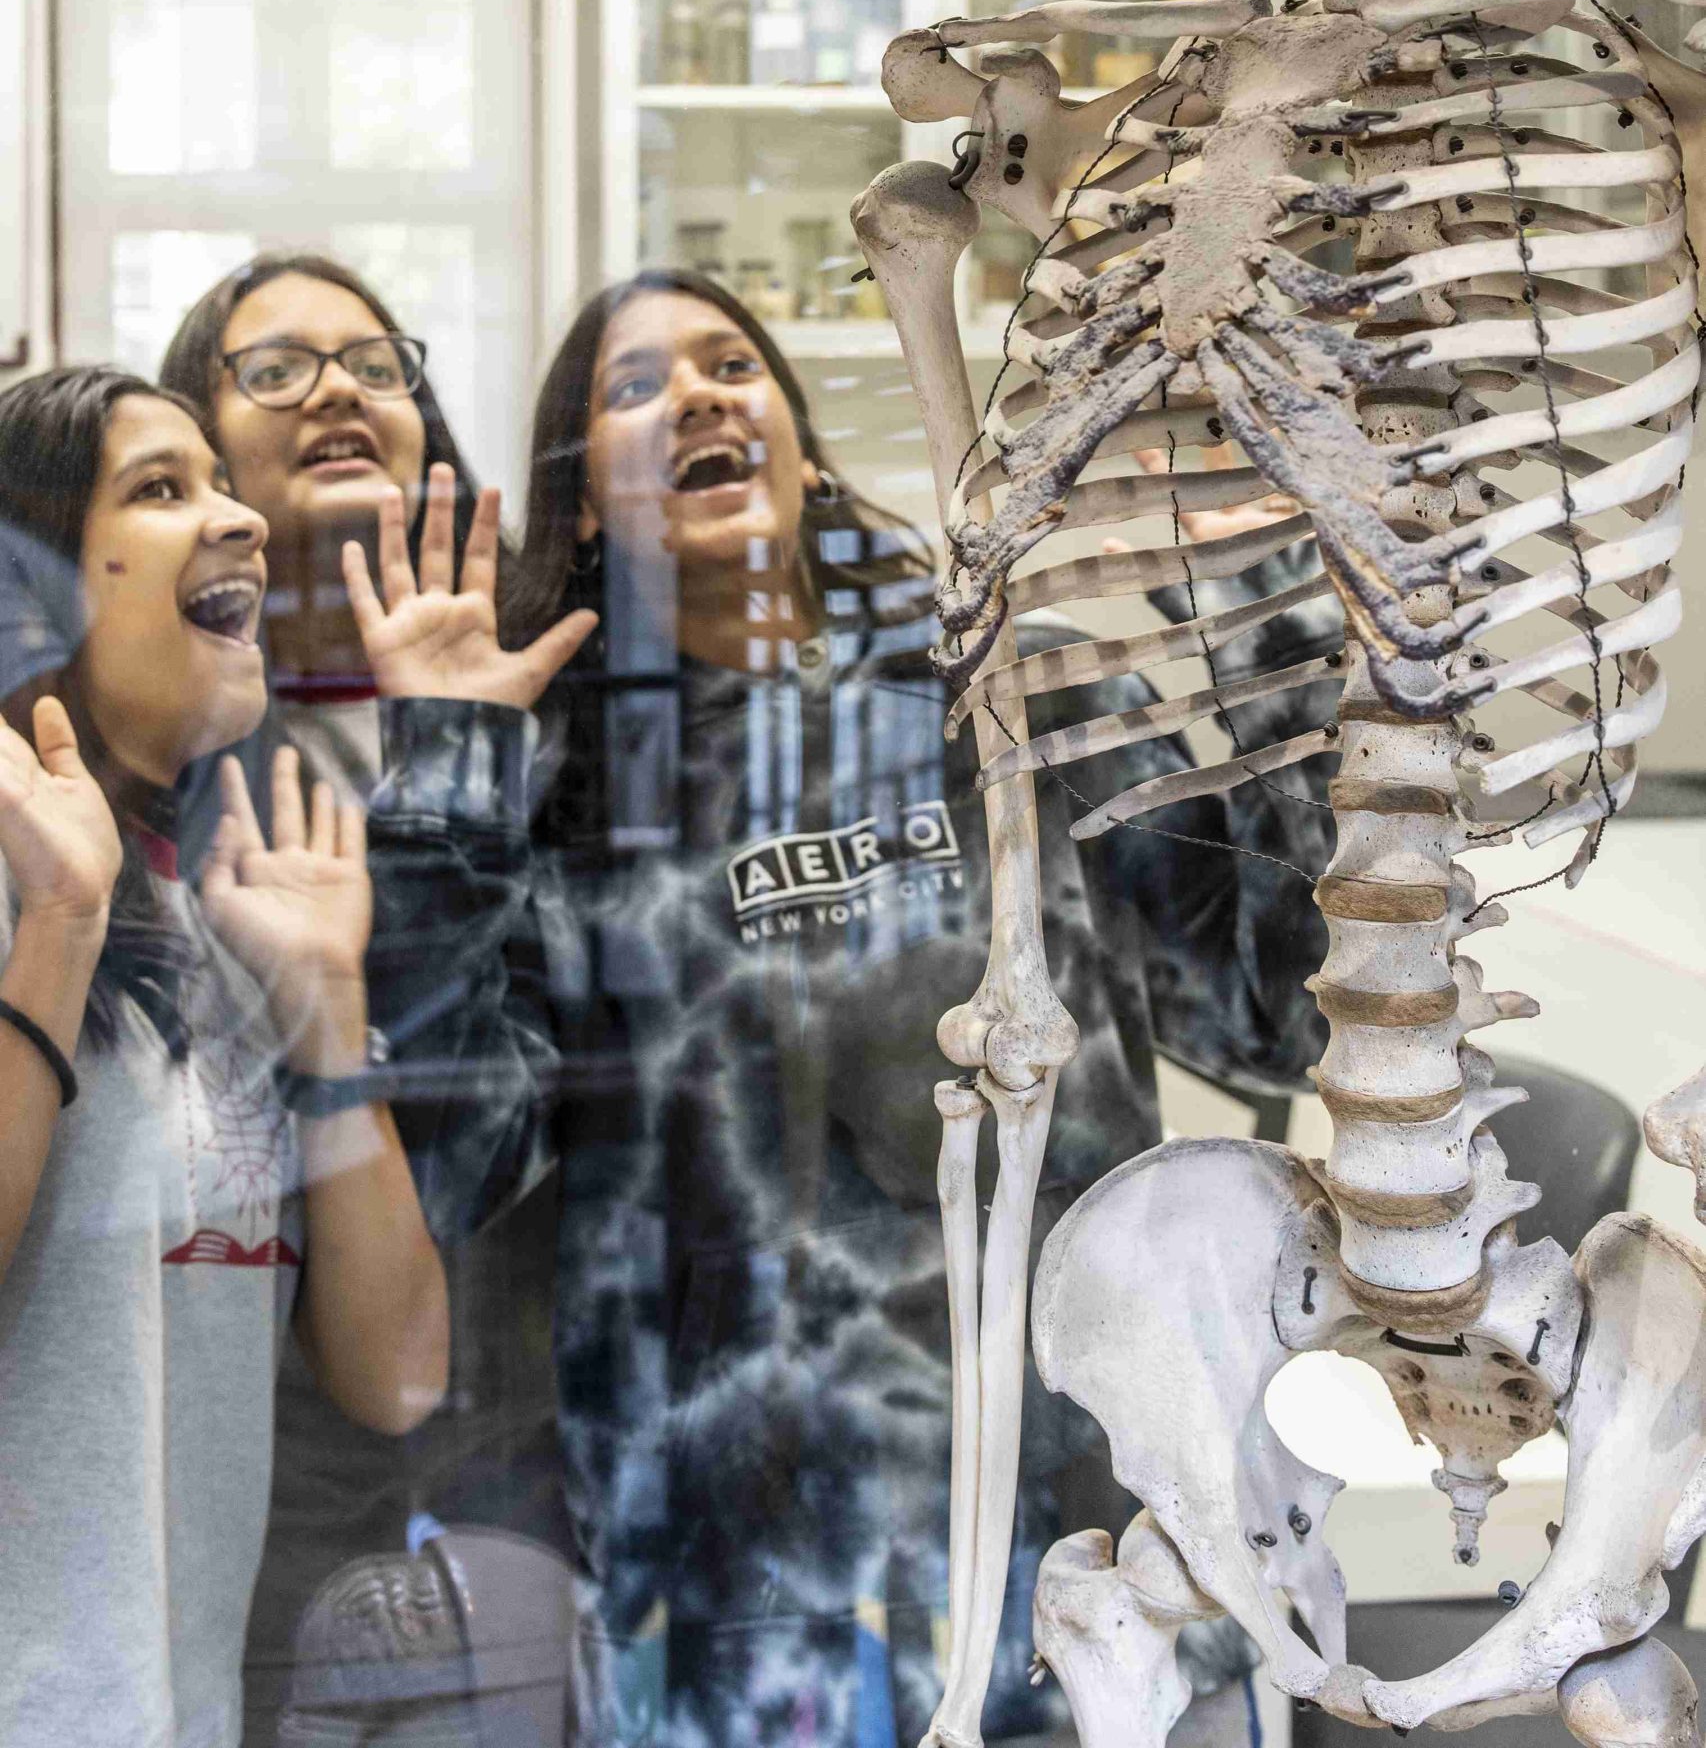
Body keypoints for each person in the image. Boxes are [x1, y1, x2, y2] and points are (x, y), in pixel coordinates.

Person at [402, 266, 1339, 1748]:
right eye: (636, 388)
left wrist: (1268, 624)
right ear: (580, 508)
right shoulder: (565, 785)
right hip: (744, 1605)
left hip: (1121, 1559)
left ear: (798, 439)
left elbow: (1270, 1019)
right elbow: (458, 1162)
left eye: (730, 366)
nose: (699, 396)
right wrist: (440, 779)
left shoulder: (1010, 698)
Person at [159, 252, 595, 1743]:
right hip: (243, 1479)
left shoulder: (568, 718)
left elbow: (482, 1148)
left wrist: (463, 752)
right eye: (272, 367)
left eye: (374, 361)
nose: (338, 388)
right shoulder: (143, 759)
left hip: (525, 1469)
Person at [0, 364, 449, 1746]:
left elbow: (396, 1381)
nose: (239, 520)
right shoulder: (35, 896)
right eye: (159, 488)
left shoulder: (217, 927)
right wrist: (60, 923)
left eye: (220, 481)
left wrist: (325, 1016)